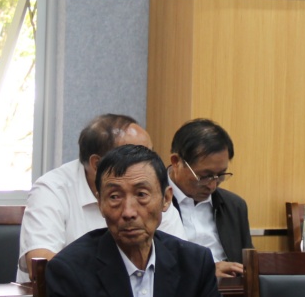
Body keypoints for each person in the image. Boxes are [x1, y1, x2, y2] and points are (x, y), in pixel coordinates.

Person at [46, 145, 237, 297]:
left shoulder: (193, 261)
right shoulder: (70, 270)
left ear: (166, 199)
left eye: (142, 194)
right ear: (100, 203)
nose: (129, 212)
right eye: (114, 197)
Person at [17, 114, 183, 282]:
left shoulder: (152, 188)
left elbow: (179, 259)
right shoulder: (52, 189)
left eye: (149, 153)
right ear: (97, 164)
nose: (147, 164)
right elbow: (42, 263)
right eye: (133, 156)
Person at [166, 119, 251, 277]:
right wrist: (206, 272)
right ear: (176, 162)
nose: (212, 186)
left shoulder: (234, 206)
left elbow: (248, 265)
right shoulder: (153, 203)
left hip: (230, 289)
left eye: (220, 175)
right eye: (204, 176)